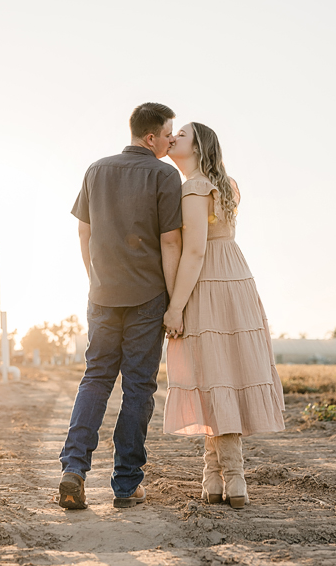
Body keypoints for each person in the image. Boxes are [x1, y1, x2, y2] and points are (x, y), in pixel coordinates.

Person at [59, 102, 183, 509]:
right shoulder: (166, 175)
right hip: (147, 297)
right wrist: (173, 299)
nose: (171, 140)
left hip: (103, 294)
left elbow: (83, 232)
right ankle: (126, 485)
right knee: (137, 389)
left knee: (95, 379)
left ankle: (73, 470)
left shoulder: (96, 170)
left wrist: (95, 279)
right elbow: (170, 242)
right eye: (168, 134)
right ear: (151, 138)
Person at [162, 122, 284, 509]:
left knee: (214, 377)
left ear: (197, 147)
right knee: (221, 377)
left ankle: (234, 478)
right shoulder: (226, 184)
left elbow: (195, 251)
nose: (172, 138)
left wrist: (175, 307)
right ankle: (216, 478)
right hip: (235, 277)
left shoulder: (195, 188)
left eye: (180, 135)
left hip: (209, 281)